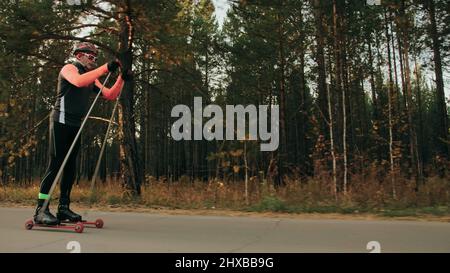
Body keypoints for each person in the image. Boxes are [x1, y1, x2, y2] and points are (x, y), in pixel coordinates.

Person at [34, 42, 131, 225]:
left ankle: (63, 208)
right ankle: (41, 210)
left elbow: (110, 94)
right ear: (79, 56)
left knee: (70, 168)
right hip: (60, 121)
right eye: (91, 57)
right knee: (56, 166)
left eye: (96, 58)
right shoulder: (69, 68)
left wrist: (122, 78)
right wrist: (105, 68)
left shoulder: (90, 77)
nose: (94, 60)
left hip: (76, 124)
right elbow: (78, 82)